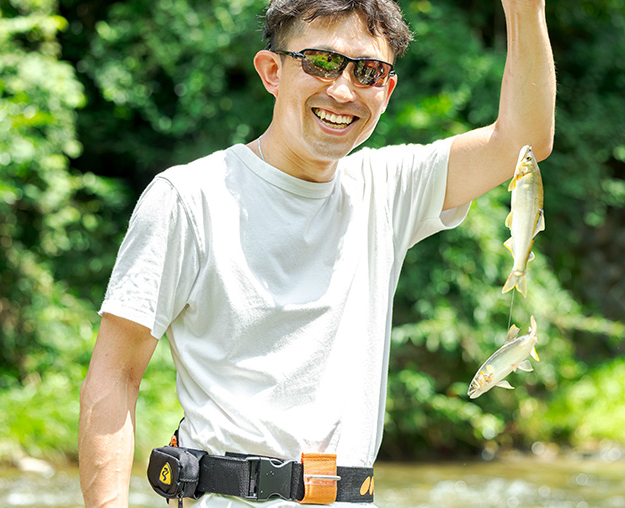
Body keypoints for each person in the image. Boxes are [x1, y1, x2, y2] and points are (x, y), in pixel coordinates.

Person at [78, 0, 554, 506]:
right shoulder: (188, 197)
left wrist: (526, 10)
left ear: (387, 91)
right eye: (321, 63)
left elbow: (523, 142)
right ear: (271, 71)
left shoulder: (387, 189)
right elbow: (114, 376)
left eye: (369, 71)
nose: (343, 91)